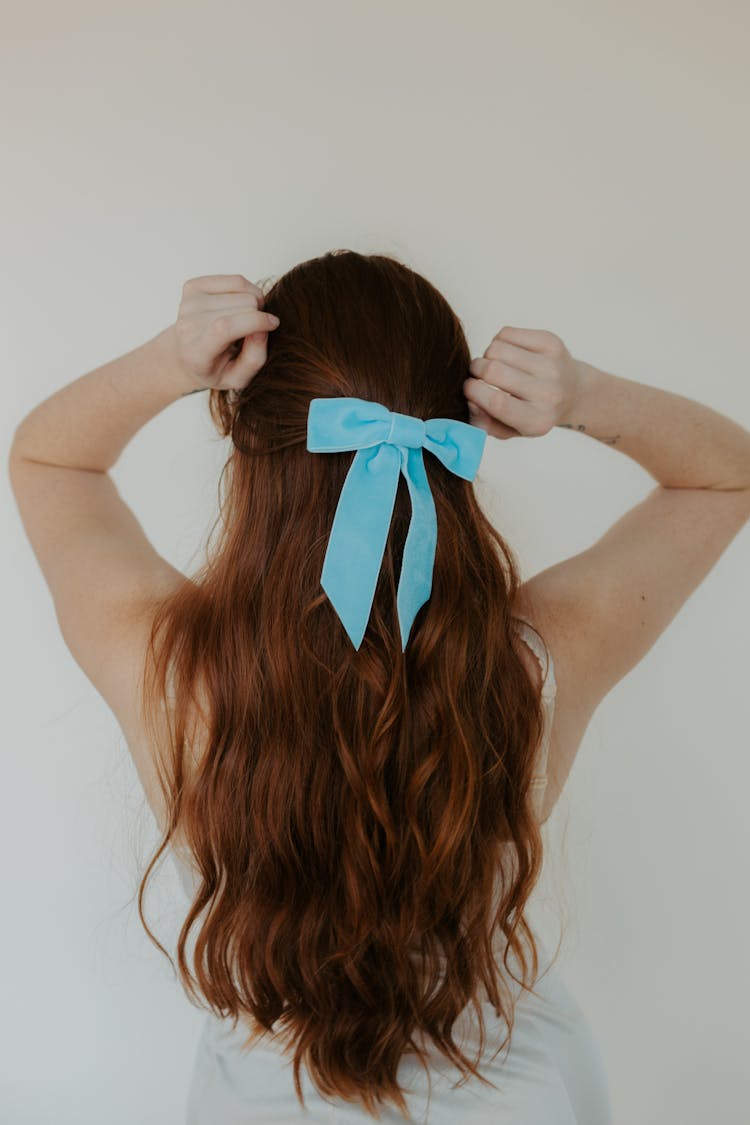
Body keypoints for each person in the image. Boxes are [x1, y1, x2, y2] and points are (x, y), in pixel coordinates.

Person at [9, 250, 750, 1124]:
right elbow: (725, 474)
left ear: (250, 436)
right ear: (459, 430)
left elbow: (49, 461)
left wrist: (168, 361)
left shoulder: (166, 667)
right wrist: (584, 395)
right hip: (519, 1098)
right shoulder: (534, 663)